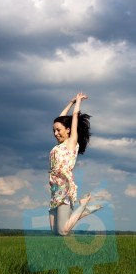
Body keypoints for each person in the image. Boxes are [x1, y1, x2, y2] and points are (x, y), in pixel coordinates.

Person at [49, 92, 102, 236]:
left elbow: (74, 117)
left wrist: (78, 102)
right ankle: (84, 211)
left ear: (68, 130)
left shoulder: (71, 143)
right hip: (55, 188)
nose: (55, 133)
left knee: (63, 231)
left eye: (58, 130)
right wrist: (69, 103)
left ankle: (83, 203)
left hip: (65, 186)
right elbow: (61, 119)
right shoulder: (58, 146)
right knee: (55, 231)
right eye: (54, 130)